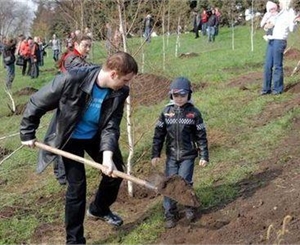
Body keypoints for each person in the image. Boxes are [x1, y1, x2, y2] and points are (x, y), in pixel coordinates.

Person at [20, 51, 138, 244]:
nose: (126, 85)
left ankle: (99, 209)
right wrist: (27, 133)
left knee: (115, 173)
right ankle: (74, 240)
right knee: (77, 188)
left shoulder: (120, 92)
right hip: (70, 138)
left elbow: (111, 125)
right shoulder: (72, 79)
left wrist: (107, 157)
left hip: (96, 136)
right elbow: (37, 101)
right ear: (113, 74)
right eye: (125, 80)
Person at [151, 77, 209, 229]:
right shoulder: (166, 113)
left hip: (188, 155)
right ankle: (170, 214)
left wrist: (204, 155)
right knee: (169, 184)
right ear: (171, 95)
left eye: (183, 95)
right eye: (176, 95)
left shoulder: (194, 114)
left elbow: (201, 136)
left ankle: (189, 207)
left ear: (189, 94)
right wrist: (155, 154)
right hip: (171, 156)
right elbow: (158, 135)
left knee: (184, 182)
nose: (179, 98)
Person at [261, 0, 299, 95]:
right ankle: (266, 89)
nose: (279, 4)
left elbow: (291, 29)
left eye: (280, 2)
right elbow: (269, 24)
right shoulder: (279, 13)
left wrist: (294, 21)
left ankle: (277, 89)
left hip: (280, 41)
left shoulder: (289, 13)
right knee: (267, 65)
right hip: (272, 40)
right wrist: (267, 25)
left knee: (277, 66)